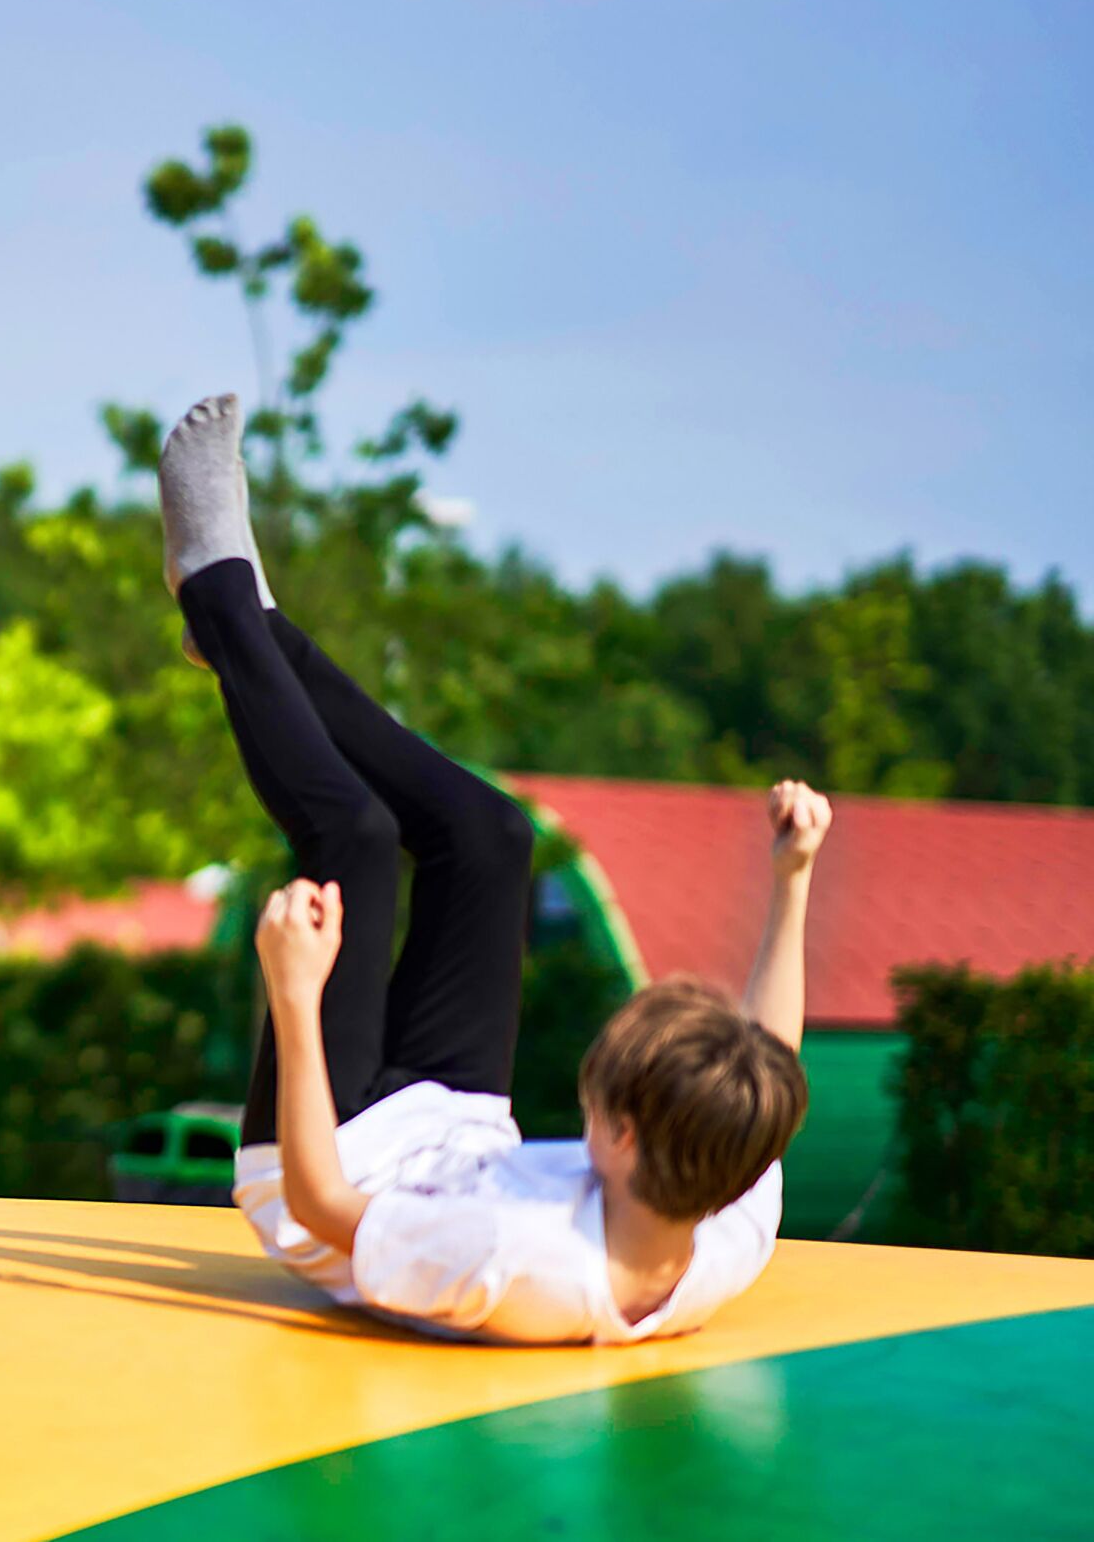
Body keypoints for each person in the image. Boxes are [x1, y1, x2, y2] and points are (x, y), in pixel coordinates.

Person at [157, 391, 826, 1345]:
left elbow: (321, 1207)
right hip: (451, 1128)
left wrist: (294, 1000)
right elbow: (771, 1064)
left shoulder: (511, 1262)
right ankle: (253, 629)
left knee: (353, 842)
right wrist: (793, 877)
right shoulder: (720, 1209)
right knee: (490, 838)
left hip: (331, 1158)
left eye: (594, 1105)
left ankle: (217, 591)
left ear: (625, 1139)